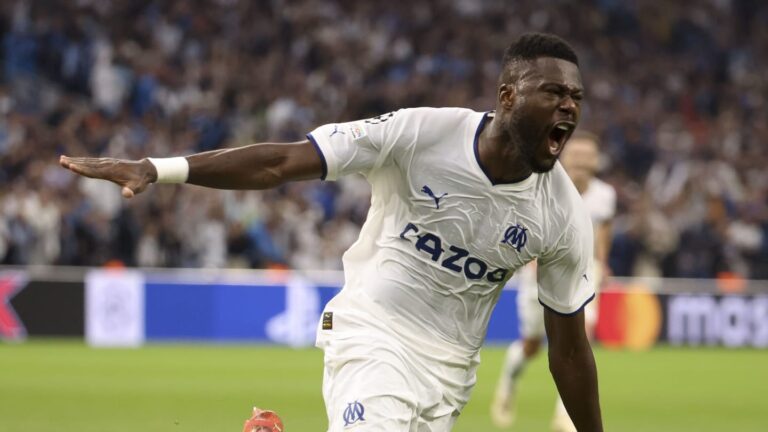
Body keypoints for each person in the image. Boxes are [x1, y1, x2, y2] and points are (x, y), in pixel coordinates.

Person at [59, 33, 603, 431]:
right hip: (373, 333)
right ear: (507, 97)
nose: (568, 106)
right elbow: (280, 162)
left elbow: (570, 350)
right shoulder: (420, 134)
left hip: (450, 374)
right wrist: (158, 168)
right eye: (553, 92)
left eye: (576, 97)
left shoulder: (563, 214)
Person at [491, 131, 615, 432]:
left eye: (587, 156)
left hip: (583, 272)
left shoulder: (605, 195)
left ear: (596, 160)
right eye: (576, 155)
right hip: (539, 271)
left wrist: (602, 261)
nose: (581, 161)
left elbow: (603, 230)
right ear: (564, 155)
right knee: (532, 345)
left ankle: (565, 416)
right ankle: (508, 384)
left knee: (579, 338)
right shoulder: (542, 184)